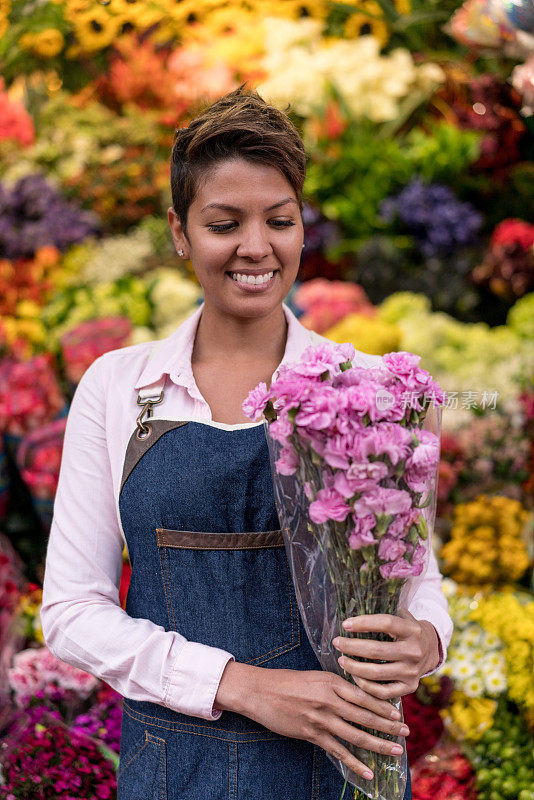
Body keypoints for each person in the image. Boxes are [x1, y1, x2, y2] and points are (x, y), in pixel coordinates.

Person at [40, 84, 453, 800]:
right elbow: (72, 611)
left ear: (302, 228)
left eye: (280, 220)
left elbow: (417, 579)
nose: (256, 247)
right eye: (224, 223)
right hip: (175, 769)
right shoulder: (120, 388)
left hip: (342, 767)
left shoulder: (367, 385)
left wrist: (426, 641)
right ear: (180, 232)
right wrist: (241, 685)